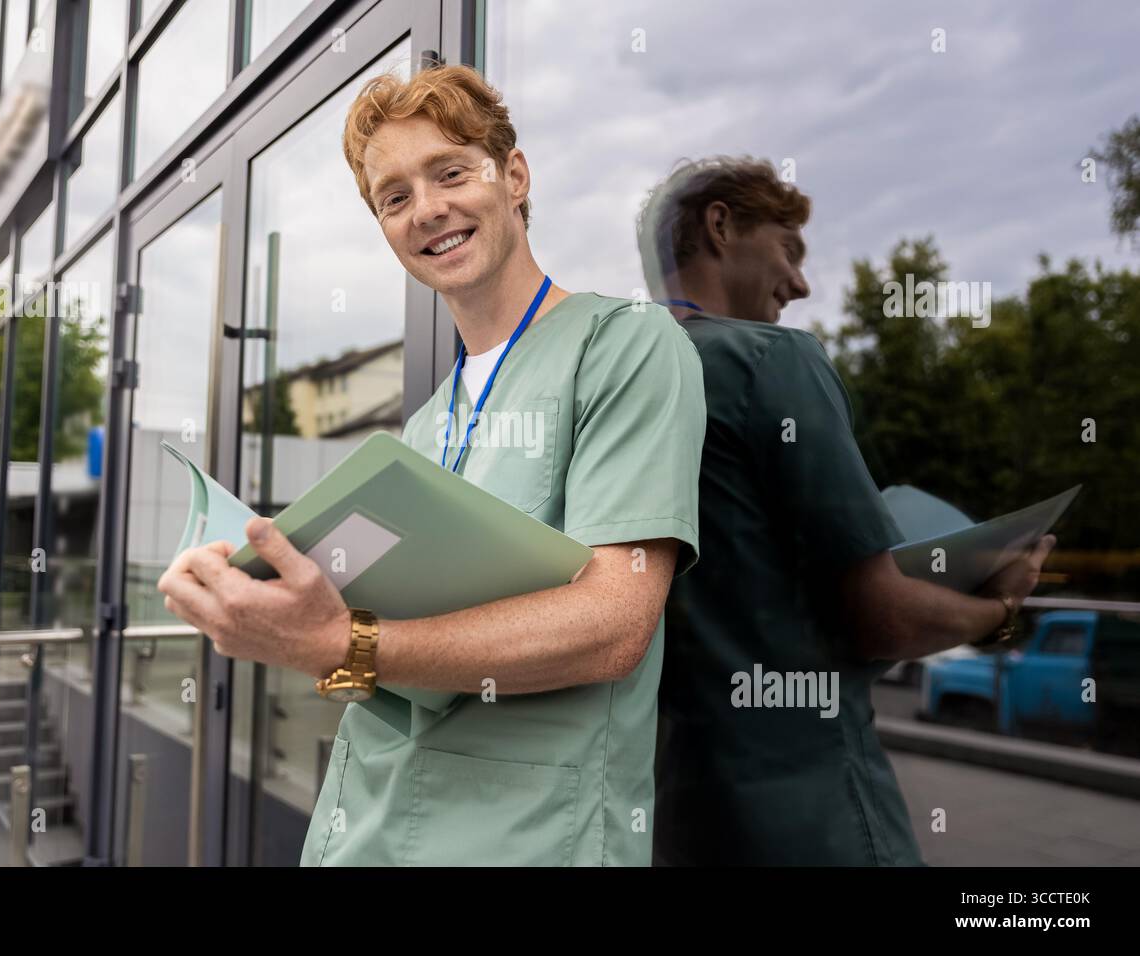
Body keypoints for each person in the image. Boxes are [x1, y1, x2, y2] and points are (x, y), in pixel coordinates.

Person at [157, 64, 706, 866]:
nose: (428, 210)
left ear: (513, 177)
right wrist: (280, 619)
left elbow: (611, 627)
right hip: (364, 827)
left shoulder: (624, 344)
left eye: (451, 172)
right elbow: (374, 658)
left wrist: (345, 643)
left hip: (526, 837)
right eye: (395, 196)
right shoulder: (423, 424)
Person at [635, 156, 1055, 865]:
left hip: (673, 810)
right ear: (719, 224)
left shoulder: (618, 381)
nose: (799, 284)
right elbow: (881, 615)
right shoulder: (770, 361)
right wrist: (1001, 610)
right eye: (789, 251)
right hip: (811, 811)